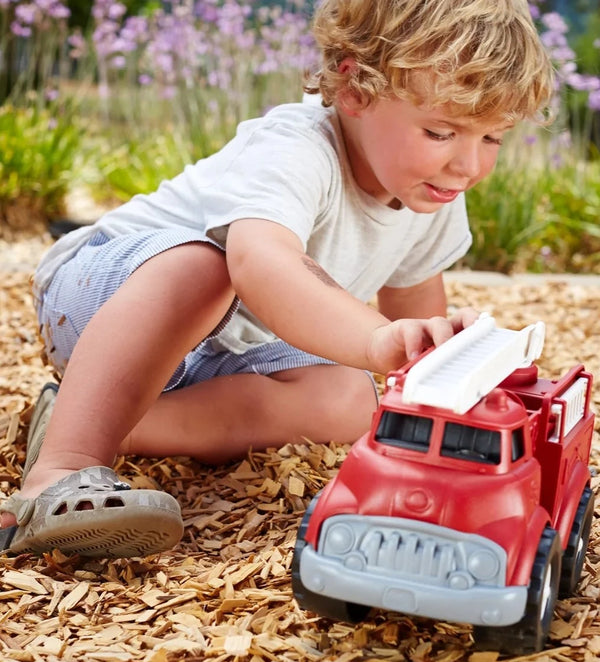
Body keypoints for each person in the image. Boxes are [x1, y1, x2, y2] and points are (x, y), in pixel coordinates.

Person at [0, 0, 554, 559]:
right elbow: (260, 264)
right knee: (207, 267)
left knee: (351, 399)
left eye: (493, 138)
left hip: (221, 355)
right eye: (441, 131)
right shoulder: (297, 148)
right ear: (355, 87)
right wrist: (372, 338)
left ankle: (105, 421)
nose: (469, 167)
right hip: (104, 301)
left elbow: (411, 317)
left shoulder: (432, 195)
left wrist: (434, 365)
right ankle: (60, 469)